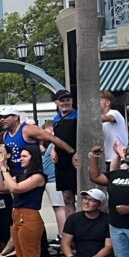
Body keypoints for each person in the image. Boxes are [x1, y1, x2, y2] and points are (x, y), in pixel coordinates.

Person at [0, 106, 75, 176]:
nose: (2, 120)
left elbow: (53, 138)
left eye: (5, 116)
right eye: (0, 117)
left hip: (31, 176)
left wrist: (72, 152)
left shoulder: (27, 129)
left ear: (15, 117)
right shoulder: (5, 135)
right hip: (14, 176)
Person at [50, 89, 78, 233]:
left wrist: (77, 153)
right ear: (56, 103)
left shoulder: (78, 116)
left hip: (76, 159)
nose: (65, 102)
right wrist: (54, 149)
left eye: (68, 99)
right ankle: (71, 231)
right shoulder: (56, 119)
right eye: (62, 100)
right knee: (67, 197)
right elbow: (55, 138)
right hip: (62, 163)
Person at [99, 91, 128, 169]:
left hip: (120, 159)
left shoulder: (114, 113)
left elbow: (107, 118)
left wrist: (88, 114)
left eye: (99, 100)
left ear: (107, 102)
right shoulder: (100, 122)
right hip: (107, 160)